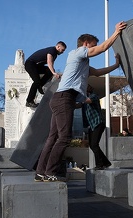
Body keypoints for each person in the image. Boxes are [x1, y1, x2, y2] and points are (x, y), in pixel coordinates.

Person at [34, 21, 127, 182]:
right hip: (64, 98)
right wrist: (116, 33)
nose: (93, 48)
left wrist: (116, 65)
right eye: (92, 46)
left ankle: (40, 172)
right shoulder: (77, 53)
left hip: (60, 98)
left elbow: (98, 72)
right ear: (85, 44)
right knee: (64, 137)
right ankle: (50, 172)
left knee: (53, 137)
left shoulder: (81, 63)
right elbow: (103, 47)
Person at [24, 42, 67, 108]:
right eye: (62, 50)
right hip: (30, 64)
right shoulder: (52, 50)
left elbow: (51, 65)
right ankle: (29, 101)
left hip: (36, 66)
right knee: (37, 81)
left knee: (49, 71)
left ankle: (40, 86)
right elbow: (49, 61)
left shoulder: (55, 55)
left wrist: (53, 72)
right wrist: (54, 73)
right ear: (58, 47)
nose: (62, 52)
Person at [81, 84, 112, 170]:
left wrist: (79, 95)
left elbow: (88, 101)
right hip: (91, 125)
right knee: (92, 145)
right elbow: (79, 105)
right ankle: (106, 162)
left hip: (98, 123)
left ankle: (100, 164)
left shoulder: (93, 96)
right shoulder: (84, 100)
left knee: (94, 145)